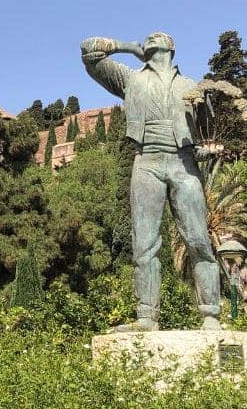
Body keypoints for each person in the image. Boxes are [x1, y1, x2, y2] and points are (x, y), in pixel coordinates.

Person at [81, 32, 221, 331]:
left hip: (183, 163)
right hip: (147, 162)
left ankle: (211, 315)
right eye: (149, 36)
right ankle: (146, 317)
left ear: (171, 47)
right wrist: (128, 47)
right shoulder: (130, 79)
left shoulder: (191, 86)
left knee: (199, 241)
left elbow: (200, 130)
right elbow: (89, 53)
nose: (153, 36)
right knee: (144, 244)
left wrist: (203, 150)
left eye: (160, 36)